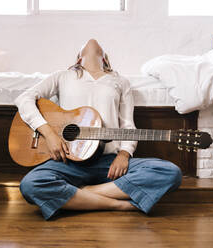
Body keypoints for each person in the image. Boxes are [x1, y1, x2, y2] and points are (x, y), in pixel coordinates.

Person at [14, 39, 182, 220]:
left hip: (109, 163)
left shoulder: (120, 82)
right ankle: (118, 204)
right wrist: (49, 133)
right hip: (68, 162)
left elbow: (127, 125)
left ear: (106, 59)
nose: (91, 41)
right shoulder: (62, 76)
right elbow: (24, 99)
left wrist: (124, 155)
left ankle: (82, 194)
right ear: (78, 59)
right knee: (30, 185)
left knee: (170, 172)